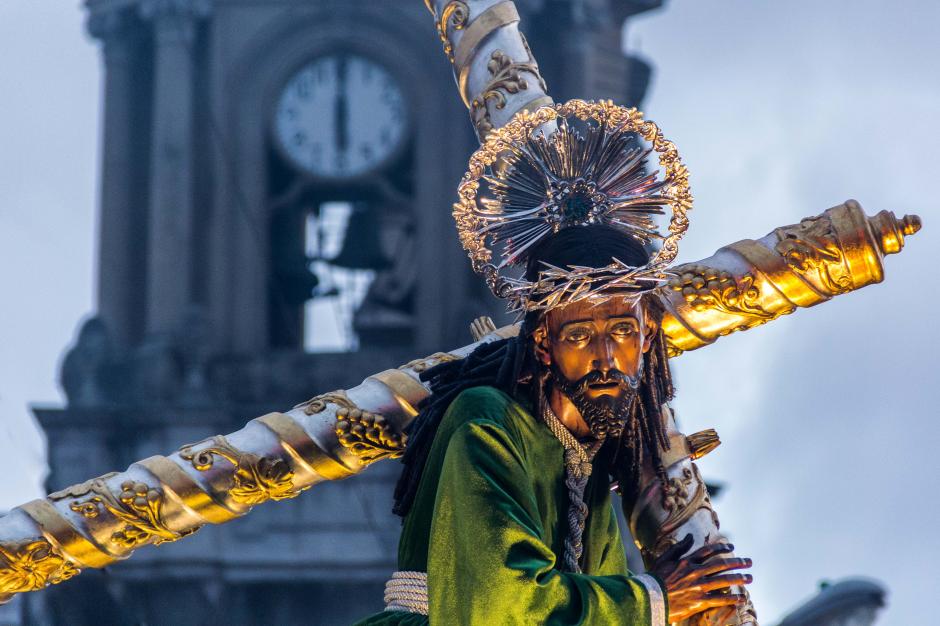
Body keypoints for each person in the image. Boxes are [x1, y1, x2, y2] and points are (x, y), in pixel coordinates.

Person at [355, 225, 753, 625]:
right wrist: (653, 600)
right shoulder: (486, 419)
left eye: (622, 331)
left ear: (647, 337)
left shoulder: (585, 454)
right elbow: (499, 604)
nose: (606, 359)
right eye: (580, 335)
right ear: (544, 343)